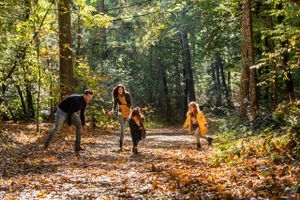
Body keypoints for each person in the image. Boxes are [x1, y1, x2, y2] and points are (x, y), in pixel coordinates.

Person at [108, 84, 132, 151]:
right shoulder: (116, 97)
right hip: (120, 114)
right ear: (117, 90)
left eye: (121, 89)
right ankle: (120, 145)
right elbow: (115, 106)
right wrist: (112, 111)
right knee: (123, 128)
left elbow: (130, 104)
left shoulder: (127, 94)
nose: (120, 90)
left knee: (123, 131)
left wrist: (123, 106)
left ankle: (121, 146)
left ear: (123, 89)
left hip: (127, 113)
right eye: (119, 89)